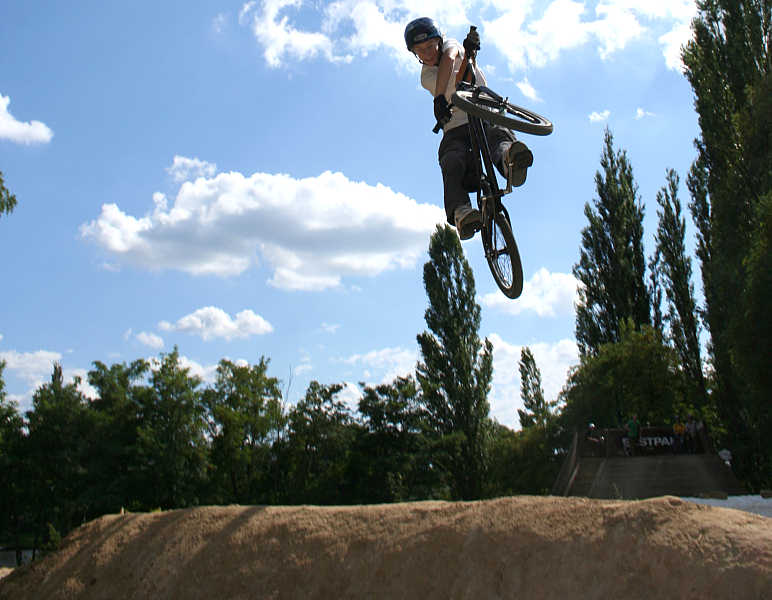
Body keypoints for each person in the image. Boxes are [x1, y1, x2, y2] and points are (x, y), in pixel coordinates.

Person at [404, 17, 534, 240]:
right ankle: (461, 212)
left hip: (484, 112)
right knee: (451, 157)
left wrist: (468, 54)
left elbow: (451, 60)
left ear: (439, 41)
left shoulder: (451, 46)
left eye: (430, 46)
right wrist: (441, 96)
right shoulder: (426, 75)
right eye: (420, 51)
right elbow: (456, 82)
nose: (427, 54)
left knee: (497, 135)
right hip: (456, 126)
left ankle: (510, 160)